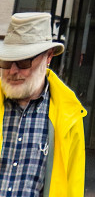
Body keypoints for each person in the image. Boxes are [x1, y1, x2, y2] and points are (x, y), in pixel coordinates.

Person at [0, 12, 86, 197]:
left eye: (23, 61)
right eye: (6, 61)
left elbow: (73, 187)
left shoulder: (68, 115)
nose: (12, 70)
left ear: (48, 57)